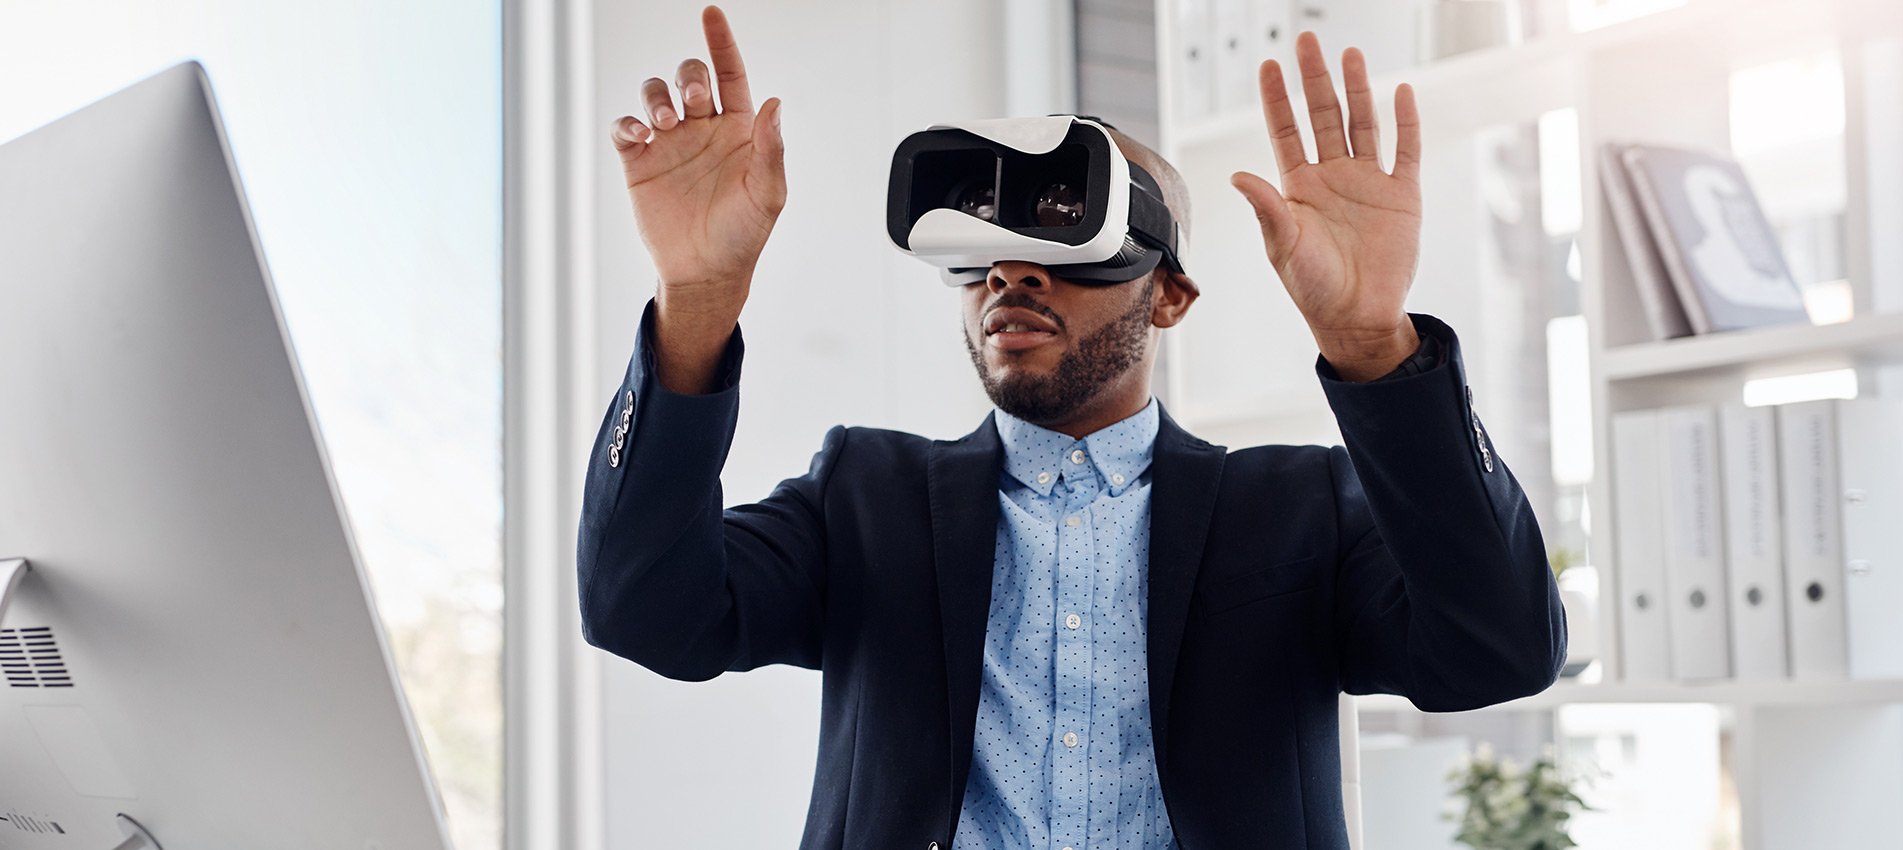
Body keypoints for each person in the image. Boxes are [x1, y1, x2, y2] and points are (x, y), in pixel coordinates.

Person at [579, 6, 1565, 850]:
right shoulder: (864, 494)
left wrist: (1370, 340)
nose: (1013, 270)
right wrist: (697, 302)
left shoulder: (1294, 508)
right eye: (986, 247)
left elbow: (1500, 647)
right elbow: (645, 609)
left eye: (1065, 227)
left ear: (1169, 295)